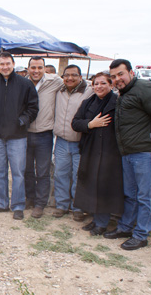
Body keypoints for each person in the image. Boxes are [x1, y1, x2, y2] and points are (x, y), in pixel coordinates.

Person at [104, 59, 151, 250]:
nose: (117, 79)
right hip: (128, 152)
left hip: (144, 152)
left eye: (120, 74)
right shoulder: (124, 94)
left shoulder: (145, 89)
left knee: (145, 196)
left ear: (131, 73)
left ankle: (141, 234)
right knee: (130, 194)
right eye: (113, 76)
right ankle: (126, 227)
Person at [0, 52, 38, 220]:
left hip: (17, 136)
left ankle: (18, 205)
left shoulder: (25, 84)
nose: (5, 67)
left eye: (7, 63)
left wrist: (22, 121)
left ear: (13, 64)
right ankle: (1, 203)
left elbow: (33, 108)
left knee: (18, 173)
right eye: (1, 64)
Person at [71, 72, 123, 235]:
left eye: (103, 83)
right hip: (91, 149)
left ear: (111, 85)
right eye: (96, 84)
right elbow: (75, 123)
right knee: (91, 185)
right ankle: (95, 220)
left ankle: (102, 222)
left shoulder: (118, 102)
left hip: (110, 152)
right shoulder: (88, 102)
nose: (99, 87)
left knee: (104, 187)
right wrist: (91, 124)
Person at [52, 65, 93, 221]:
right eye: (66, 75)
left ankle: (77, 207)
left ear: (81, 77)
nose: (70, 78)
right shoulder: (59, 90)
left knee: (79, 176)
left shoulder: (89, 91)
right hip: (61, 141)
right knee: (60, 174)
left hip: (79, 141)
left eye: (74, 75)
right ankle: (61, 205)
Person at [25, 57, 63, 218]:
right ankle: (29, 198)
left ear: (44, 68)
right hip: (25, 133)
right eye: (33, 67)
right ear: (28, 68)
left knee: (42, 171)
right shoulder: (23, 83)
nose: (36, 70)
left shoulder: (54, 81)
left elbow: (73, 83)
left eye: (39, 67)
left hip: (44, 134)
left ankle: (40, 203)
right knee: (26, 170)